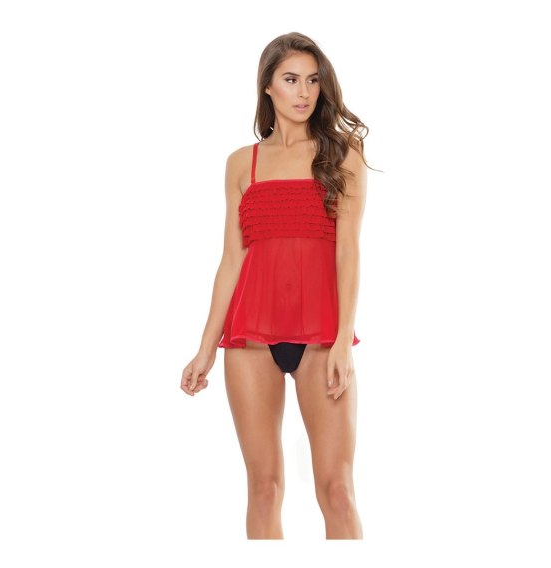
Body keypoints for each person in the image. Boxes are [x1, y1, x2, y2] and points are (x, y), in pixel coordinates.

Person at [181, 31, 370, 539]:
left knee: (337, 491)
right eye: (290, 80)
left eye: (313, 80)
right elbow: (232, 259)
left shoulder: (343, 154)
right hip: (250, 339)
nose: (304, 92)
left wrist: (343, 340)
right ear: (267, 86)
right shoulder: (241, 163)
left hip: (321, 337)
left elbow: (348, 251)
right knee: (263, 488)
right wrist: (205, 348)